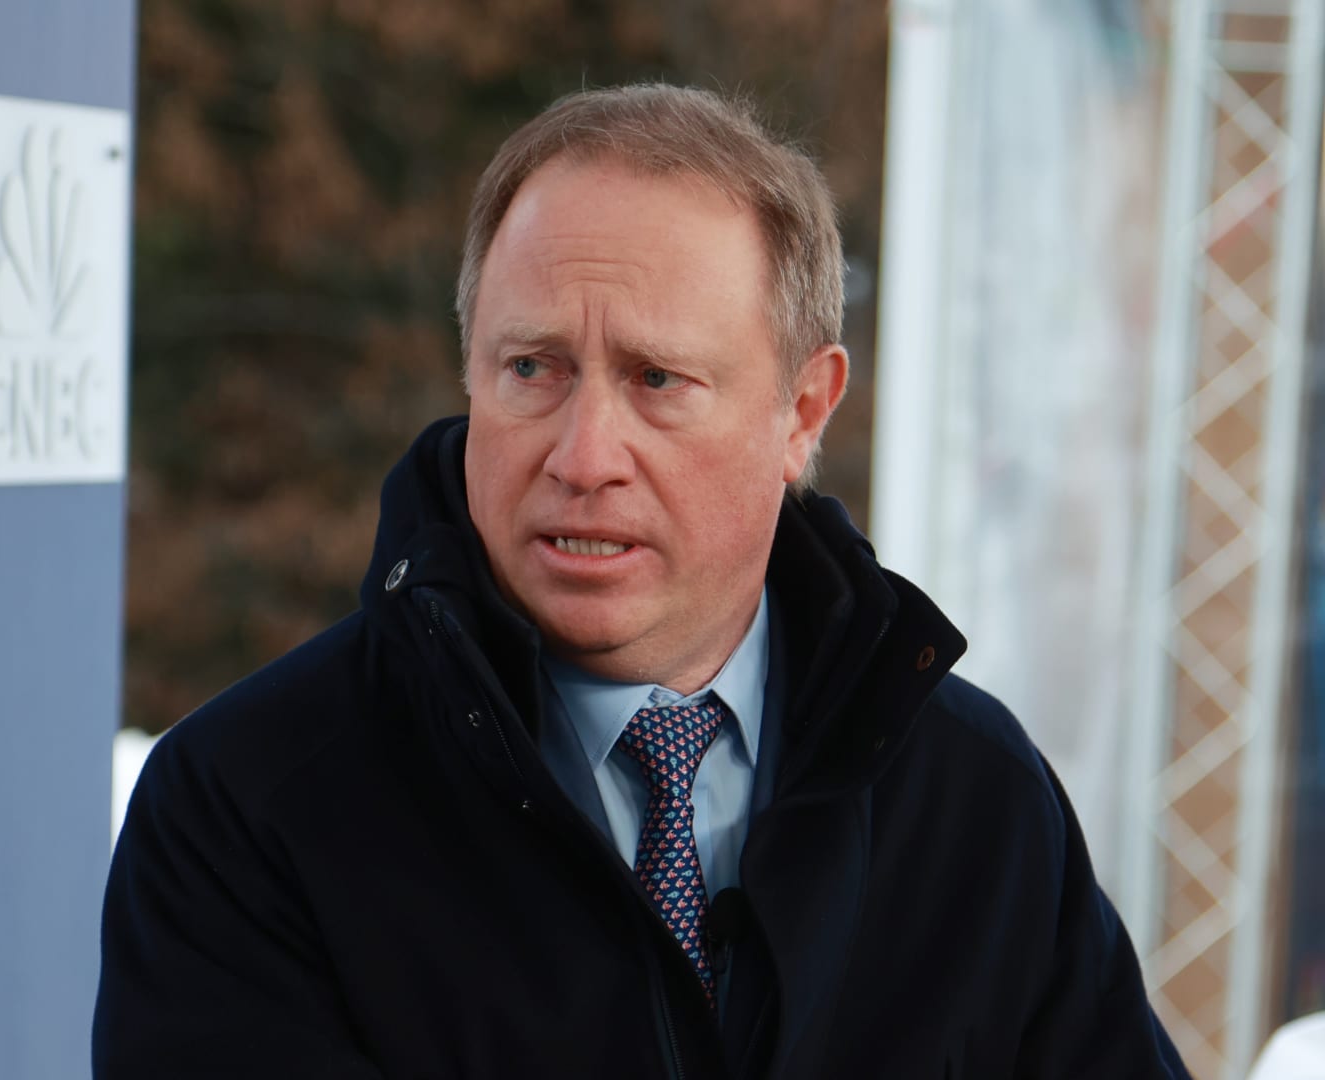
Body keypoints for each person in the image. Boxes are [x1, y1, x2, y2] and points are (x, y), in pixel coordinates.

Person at [94, 83, 1188, 1078]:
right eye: (532, 369)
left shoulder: (975, 799)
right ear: (471, 372)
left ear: (803, 411)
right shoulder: (248, 809)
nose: (583, 457)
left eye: (658, 379)